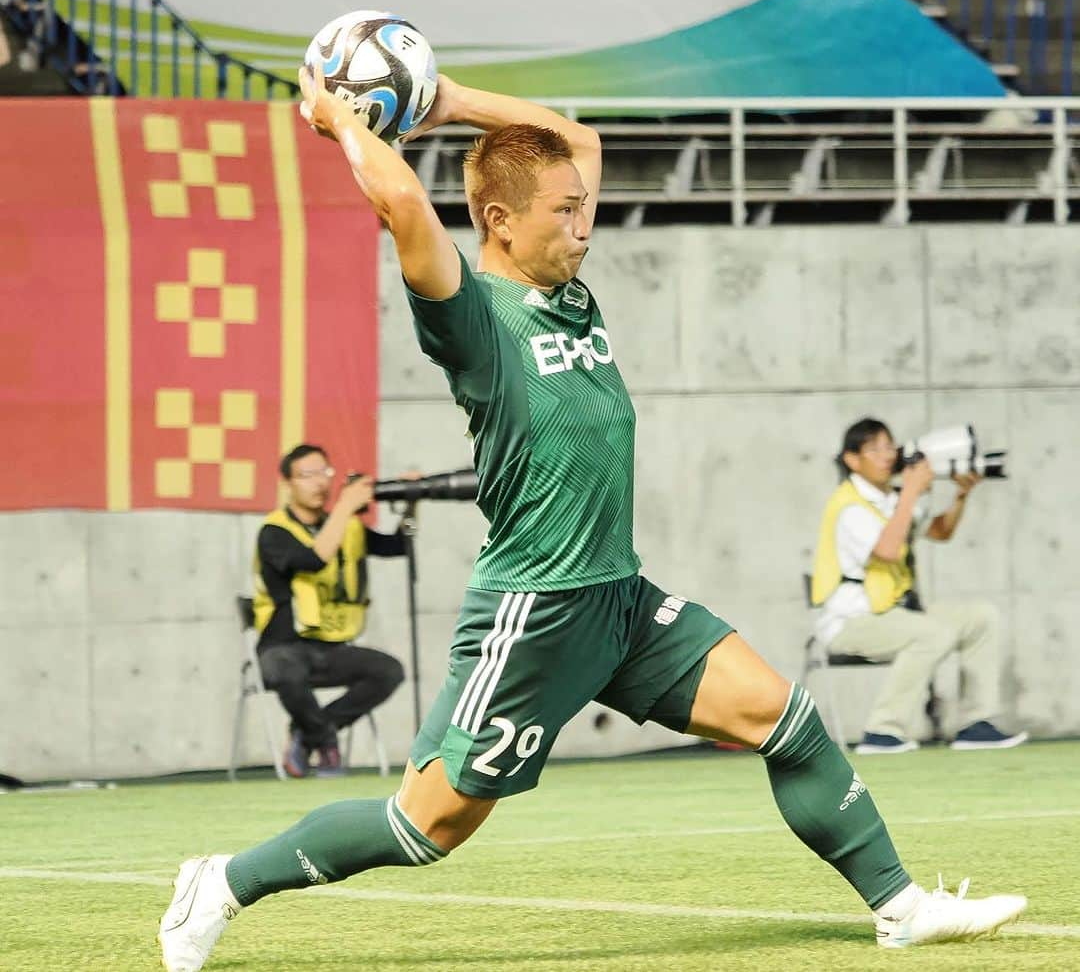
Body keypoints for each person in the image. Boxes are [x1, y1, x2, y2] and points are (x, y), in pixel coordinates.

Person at [158, 64, 1027, 972]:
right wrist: (345, 121)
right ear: (499, 219)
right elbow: (406, 207)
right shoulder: (473, 320)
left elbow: (581, 143)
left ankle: (900, 905)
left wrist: (449, 99)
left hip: (616, 597)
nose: (583, 224)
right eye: (562, 212)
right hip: (534, 610)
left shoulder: (570, 288)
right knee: (426, 825)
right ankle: (219, 882)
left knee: (786, 715)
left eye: (584, 208)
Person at [811, 418, 1028, 755]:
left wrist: (960, 495)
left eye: (889, 445)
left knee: (980, 617)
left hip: (895, 612)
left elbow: (940, 532)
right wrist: (911, 492)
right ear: (852, 459)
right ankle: (881, 731)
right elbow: (886, 550)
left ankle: (976, 724)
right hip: (851, 622)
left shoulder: (890, 498)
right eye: (875, 449)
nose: (887, 455)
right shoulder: (850, 505)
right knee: (932, 633)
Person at [253, 443, 406, 778]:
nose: (319, 483)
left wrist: (410, 504)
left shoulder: (347, 527)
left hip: (332, 648)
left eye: (324, 472)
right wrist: (345, 507)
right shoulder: (274, 531)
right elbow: (312, 558)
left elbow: (398, 546)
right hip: (283, 648)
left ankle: (308, 734)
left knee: (388, 670)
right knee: (283, 669)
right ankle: (324, 740)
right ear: (288, 484)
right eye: (308, 475)